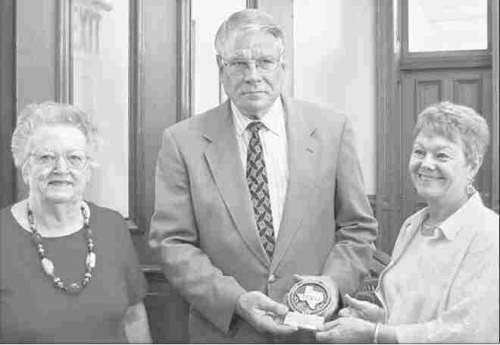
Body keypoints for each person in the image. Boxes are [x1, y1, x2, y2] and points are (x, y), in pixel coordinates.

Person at [148, 9, 377, 343]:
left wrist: (332, 285)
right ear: (221, 69)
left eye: (265, 62)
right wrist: (236, 301)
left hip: (314, 334)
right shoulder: (182, 142)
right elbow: (172, 243)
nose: (253, 75)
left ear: (282, 67)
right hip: (227, 333)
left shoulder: (331, 130)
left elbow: (358, 229)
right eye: (239, 63)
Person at [316, 101, 499, 343]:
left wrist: (375, 334)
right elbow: (413, 315)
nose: (426, 164)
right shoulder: (413, 225)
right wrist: (377, 318)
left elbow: (467, 332)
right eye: (419, 152)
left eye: (442, 155)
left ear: (473, 164)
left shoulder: (488, 235)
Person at [0, 101, 152, 343]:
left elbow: (133, 317)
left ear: (89, 169)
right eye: (46, 157)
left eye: (74, 158)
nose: (61, 168)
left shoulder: (111, 226)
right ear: (25, 167)